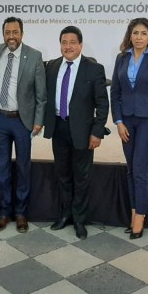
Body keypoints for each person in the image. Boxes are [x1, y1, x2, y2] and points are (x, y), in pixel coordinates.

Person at [44, 26, 109, 240]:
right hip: (58, 127)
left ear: (80, 45)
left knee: (81, 177)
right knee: (63, 175)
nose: (68, 46)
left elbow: (102, 104)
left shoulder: (94, 69)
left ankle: (80, 220)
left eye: (72, 42)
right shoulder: (52, 66)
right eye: (64, 42)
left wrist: (97, 132)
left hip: (83, 131)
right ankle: (66, 215)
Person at [0, 17, 46, 233]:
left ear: (22, 33)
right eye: (7, 32)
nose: (11, 36)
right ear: (3, 34)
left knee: (22, 167)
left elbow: (41, 94)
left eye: (15, 32)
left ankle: (20, 212)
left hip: (22, 120)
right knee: (2, 168)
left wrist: (38, 120)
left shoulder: (34, 56)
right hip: (0, 118)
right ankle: (4, 212)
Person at [110, 18, 148, 239]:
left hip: (147, 122)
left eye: (144, 33)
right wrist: (118, 122)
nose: (139, 37)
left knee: (140, 169)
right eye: (135, 33)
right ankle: (134, 212)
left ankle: (140, 217)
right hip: (126, 122)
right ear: (130, 35)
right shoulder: (121, 58)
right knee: (130, 170)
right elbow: (115, 92)